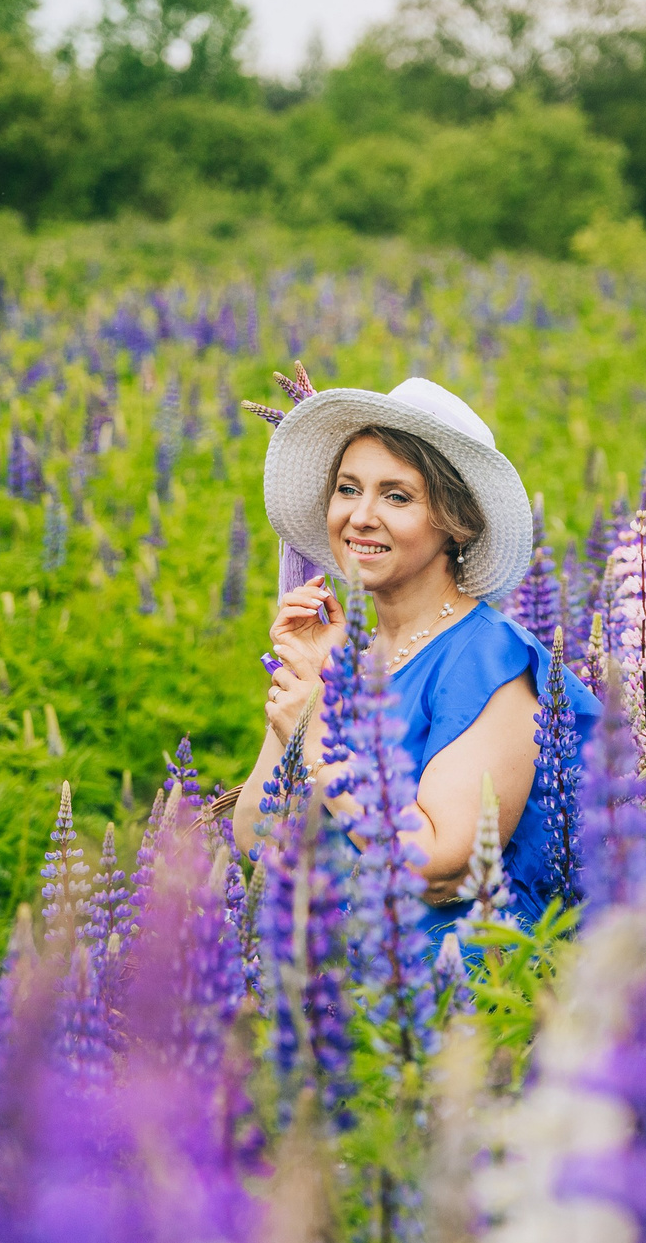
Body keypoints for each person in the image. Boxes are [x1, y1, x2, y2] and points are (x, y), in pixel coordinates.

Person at [233, 376, 598, 948]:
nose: (360, 516)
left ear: (456, 523)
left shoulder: (491, 661)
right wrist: (308, 681)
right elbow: (262, 840)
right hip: (339, 997)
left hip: (465, 1005)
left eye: (397, 496)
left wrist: (317, 739)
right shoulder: (352, 658)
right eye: (348, 489)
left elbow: (440, 868)